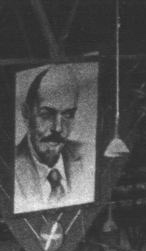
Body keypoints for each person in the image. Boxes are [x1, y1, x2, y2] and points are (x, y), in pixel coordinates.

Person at [14, 65, 89, 212]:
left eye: (68, 115)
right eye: (47, 114)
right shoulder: (9, 165)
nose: (58, 128)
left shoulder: (88, 155)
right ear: (26, 114)